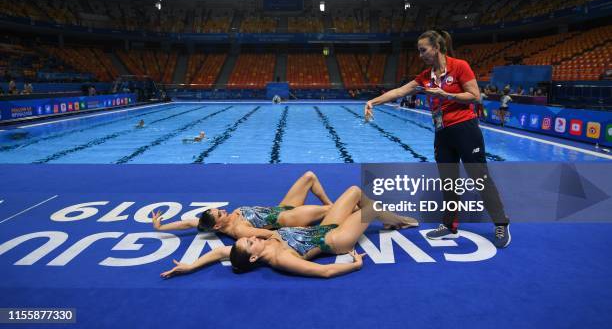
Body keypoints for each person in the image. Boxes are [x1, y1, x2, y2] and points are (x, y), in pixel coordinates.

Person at [364, 29, 510, 248]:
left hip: (465, 129)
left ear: (437, 48)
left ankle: (501, 223)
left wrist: (447, 95)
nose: (420, 55)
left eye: (423, 50)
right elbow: (400, 91)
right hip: (442, 133)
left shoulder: (459, 66)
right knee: (448, 182)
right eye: (419, 51)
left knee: (480, 178)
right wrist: (372, 102)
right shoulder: (425, 77)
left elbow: (475, 96)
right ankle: (450, 224)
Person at [160, 185, 417, 278]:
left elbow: (217, 253)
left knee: (354, 191)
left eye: (247, 239)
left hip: (327, 226)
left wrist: (190, 266)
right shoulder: (279, 259)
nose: (250, 237)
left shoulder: (254, 247)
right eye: (249, 243)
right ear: (253, 257)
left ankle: (389, 222)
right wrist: (354, 265)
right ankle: (397, 222)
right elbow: (324, 271)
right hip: (335, 239)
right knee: (372, 207)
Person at [152, 171, 334, 240]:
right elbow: (271, 234)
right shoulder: (239, 230)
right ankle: (349, 212)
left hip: (283, 207)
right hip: (288, 218)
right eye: (220, 214)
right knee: (334, 209)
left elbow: (188, 223)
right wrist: (299, 228)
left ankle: (332, 208)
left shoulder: (210, 223)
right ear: (217, 225)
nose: (224, 210)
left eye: (219, 210)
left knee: (309, 176)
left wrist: (160, 226)